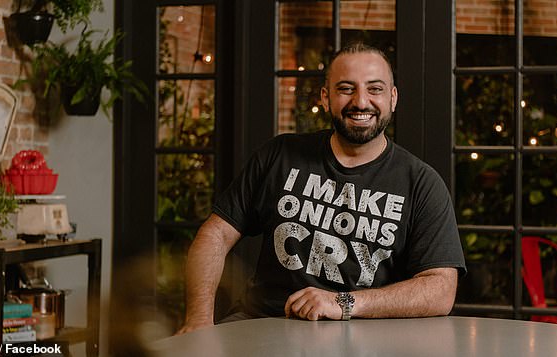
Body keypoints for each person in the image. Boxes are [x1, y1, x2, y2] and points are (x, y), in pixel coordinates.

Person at [176, 43, 466, 335]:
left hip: (364, 335)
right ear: (326, 98)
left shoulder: (421, 183)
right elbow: (216, 233)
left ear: (393, 98)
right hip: (261, 323)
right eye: (346, 88)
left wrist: (344, 303)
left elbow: (440, 288)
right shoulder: (280, 155)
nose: (361, 101)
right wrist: (198, 320)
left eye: (375, 89)